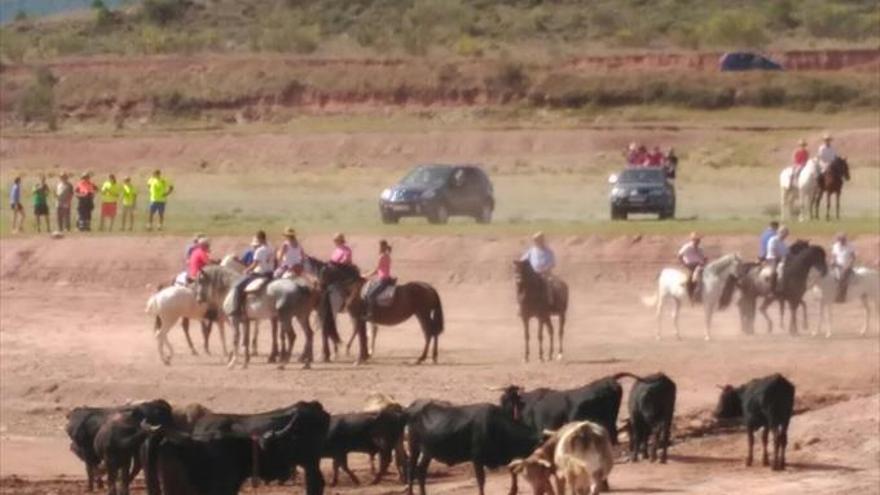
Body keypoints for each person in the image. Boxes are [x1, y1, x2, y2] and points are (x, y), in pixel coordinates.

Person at [230, 230, 274, 317]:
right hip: (270, 273)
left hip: (260, 274)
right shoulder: (271, 248)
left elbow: (254, 264)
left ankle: (237, 309)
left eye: (258, 239)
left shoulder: (259, 250)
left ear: (260, 239)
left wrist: (246, 270)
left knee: (238, 286)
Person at [520, 232, 557, 306]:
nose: (537, 241)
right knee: (521, 282)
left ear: (542, 240)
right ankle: (521, 303)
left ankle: (550, 302)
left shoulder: (549, 252)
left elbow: (552, 263)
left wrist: (545, 269)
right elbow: (522, 260)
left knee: (549, 283)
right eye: (535, 240)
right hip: (532, 274)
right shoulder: (531, 251)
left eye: (538, 240)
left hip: (545, 274)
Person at [362, 239, 395, 320]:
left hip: (383, 280)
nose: (379, 248)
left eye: (380, 246)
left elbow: (376, 270)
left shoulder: (382, 257)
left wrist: (365, 275)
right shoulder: (387, 255)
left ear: (383, 247)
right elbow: (380, 270)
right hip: (385, 278)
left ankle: (370, 314)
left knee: (370, 295)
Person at [677, 232, 707, 302]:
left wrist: (704, 260)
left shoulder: (700, 248)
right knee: (689, 280)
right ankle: (690, 297)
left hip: (699, 266)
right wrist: (683, 263)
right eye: (697, 239)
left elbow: (703, 258)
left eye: (699, 240)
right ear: (693, 239)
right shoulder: (687, 247)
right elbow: (679, 255)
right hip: (689, 265)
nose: (699, 241)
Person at [830, 232, 856, 303]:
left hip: (847, 266)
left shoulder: (850, 246)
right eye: (839, 240)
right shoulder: (835, 246)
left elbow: (853, 257)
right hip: (838, 265)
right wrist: (833, 261)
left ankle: (841, 297)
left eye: (842, 240)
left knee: (843, 277)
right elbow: (834, 256)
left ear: (845, 239)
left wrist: (848, 265)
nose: (840, 241)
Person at [765, 225, 789, 293]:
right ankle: (771, 290)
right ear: (779, 232)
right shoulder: (773, 240)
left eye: (786, 234)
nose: (786, 236)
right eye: (785, 234)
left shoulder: (784, 243)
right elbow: (772, 251)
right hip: (772, 259)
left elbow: (787, 252)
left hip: (782, 259)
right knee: (774, 272)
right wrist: (781, 258)